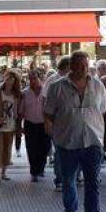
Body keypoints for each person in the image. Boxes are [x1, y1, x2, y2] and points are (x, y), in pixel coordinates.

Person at [44, 51, 106, 212]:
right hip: (67, 142)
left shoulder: (98, 86)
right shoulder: (57, 87)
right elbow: (48, 113)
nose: (82, 69)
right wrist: (52, 131)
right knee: (68, 180)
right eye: (78, 65)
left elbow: (102, 109)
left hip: (92, 142)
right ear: (71, 65)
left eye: (85, 65)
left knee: (92, 184)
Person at [0, 69, 22, 183]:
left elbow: (17, 111)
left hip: (11, 126)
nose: (9, 80)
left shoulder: (17, 93)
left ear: (15, 80)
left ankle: (4, 173)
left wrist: (18, 123)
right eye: (7, 77)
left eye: (12, 78)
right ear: (4, 77)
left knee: (7, 149)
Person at [42, 56, 70, 191]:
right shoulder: (53, 81)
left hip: (69, 122)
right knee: (59, 150)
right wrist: (47, 122)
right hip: (57, 122)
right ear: (66, 67)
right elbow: (44, 101)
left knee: (67, 150)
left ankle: (68, 177)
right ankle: (59, 179)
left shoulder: (71, 80)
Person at [20, 70, 51, 182]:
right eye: (31, 78)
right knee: (32, 148)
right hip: (30, 124)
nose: (33, 80)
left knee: (45, 147)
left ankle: (41, 168)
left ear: (40, 78)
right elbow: (21, 111)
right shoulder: (24, 93)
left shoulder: (46, 91)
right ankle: (34, 172)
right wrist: (20, 126)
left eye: (35, 78)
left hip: (44, 123)